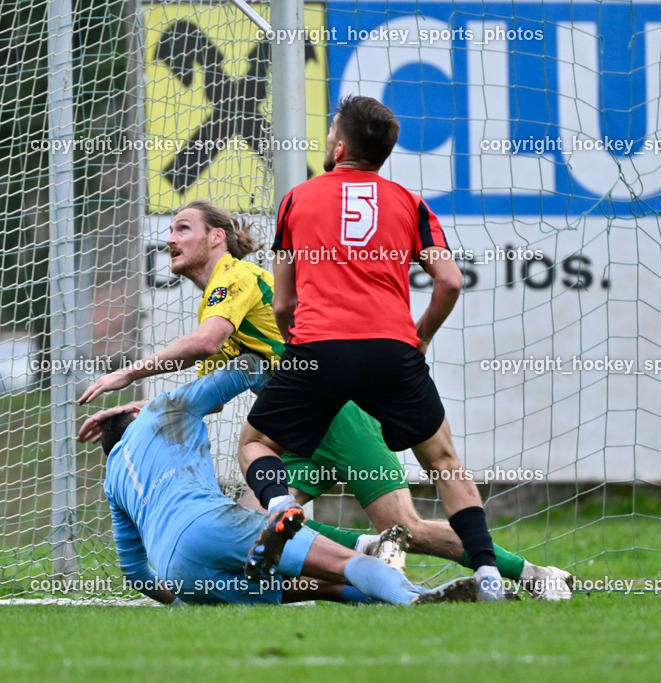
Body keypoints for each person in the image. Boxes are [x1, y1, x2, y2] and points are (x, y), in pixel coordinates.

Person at [78, 199, 571, 600]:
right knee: (259, 523)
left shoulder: (237, 277)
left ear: (216, 237)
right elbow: (201, 392)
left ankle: (531, 574)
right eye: (170, 230)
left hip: (341, 420)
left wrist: (127, 373)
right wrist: (137, 414)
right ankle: (367, 563)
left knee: (407, 529)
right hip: (298, 430)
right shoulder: (219, 303)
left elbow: (205, 344)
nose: (169, 238)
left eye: (183, 227)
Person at [239, 94, 506, 600]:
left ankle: (279, 508)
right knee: (445, 460)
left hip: (319, 347)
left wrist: (303, 352)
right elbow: (448, 281)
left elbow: (282, 306)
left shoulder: (298, 199)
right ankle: (488, 573)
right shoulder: (409, 203)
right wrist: (420, 335)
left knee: (255, 444)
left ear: (340, 147)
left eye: (329, 131)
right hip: (391, 349)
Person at [81, 355, 477, 605]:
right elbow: (247, 368)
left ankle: (426, 598)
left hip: (177, 570)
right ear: (137, 408)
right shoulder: (163, 409)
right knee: (345, 565)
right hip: (209, 524)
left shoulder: (113, 480)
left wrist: (181, 594)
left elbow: (134, 574)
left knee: (319, 586)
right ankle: (416, 599)